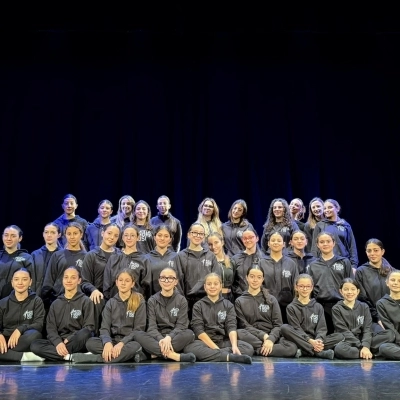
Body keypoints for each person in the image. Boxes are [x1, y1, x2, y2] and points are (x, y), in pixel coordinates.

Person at [75, 269, 146, 363]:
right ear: (116, 282)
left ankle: (97, 358)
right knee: (90, 343)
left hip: (129, 342)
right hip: (113, 341)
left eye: (127, 281)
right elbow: (104, 328)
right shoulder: (111, 303)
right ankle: (128, 356)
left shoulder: (139, 301)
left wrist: (122, 343)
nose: (123, 283)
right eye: (120, 280)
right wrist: (107, 343)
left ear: (132, 284)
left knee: (136, 346)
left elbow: (138, 329)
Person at [183, 273, 253, 363]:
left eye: (216, 284)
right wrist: (215, 348)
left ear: (220, 286)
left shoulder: (228, 305)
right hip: (205, 342)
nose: (212, 286)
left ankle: (218, 355)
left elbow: (231, 327)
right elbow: (198, 331)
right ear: (205, 287)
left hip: (222, 341)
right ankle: (229, 357)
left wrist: (234, 346)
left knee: (248, 348)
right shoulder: (198, 305)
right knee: (189, 348)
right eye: (209, 284)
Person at [30, 267, 95, 362]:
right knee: (35, 345)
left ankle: (58, 355)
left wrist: (70, 338)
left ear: (79, 281)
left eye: (73, 277)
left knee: (85, 334)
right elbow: (51, 329)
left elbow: (89, 327)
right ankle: (69, 356)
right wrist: (58, 343)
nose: (69, 280)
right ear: (62, 280)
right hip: (59, 341)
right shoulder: (56, 303)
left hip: (76, 340)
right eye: (66, 277)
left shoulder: (86, 301)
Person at [134, 268, 196, 363]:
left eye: (170, 278)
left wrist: (169, 337)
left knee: (190, 334)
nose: (166, 281)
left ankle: (152, 354)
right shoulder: (152, 300)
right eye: (163, 278)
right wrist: (162, 340)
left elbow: (181, 326)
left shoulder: (181, 300)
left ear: (176, 282)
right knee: (138, 334)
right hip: (157, 338)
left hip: (174, 337)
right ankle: (174, 356)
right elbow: (152, 327)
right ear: (159, 281)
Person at [235, 265, 298, 358]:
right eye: (252, 276)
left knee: (292, 348)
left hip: (271, 336)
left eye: (259, 277)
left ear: (263, 279)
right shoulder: (239, 301)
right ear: (246, 278)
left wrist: (270, 339)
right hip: (252, 337)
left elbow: (278, 325)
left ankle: (259, 350)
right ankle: (267, 349)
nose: (255, 280)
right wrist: (263, 336)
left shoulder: (271, 299)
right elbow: (244, 326)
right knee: (239, 332)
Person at [280, 274, 344, 359]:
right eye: (301, 286)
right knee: (285, 328)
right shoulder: (291, 307)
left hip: (314, 339)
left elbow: (322, 328)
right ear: (296, 287)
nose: (305, 289)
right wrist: (310, 341)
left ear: (312, 287)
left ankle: (304, 350)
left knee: (340, 336)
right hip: (300, 338)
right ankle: (317, 352)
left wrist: (318, 340)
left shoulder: (318, 306)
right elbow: (296, 329)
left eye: (308, 286)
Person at [332, 278, 393, 359]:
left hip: (364, 339)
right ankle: (369, 353)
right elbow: (343, 331)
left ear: (357, 291)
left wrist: (366, 345)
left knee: (390, 334)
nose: (350, 292)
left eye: (353, 289)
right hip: (347, 340)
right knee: (340, 349)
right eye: (346, 289)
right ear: (341, 291)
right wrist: (362, 346)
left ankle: (364, 352)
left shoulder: (364, 306)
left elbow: (367, 329)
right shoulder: (336, 308)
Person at [307, 231, 353, 334]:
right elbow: (310, 288)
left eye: (328, 241)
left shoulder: (344, 262)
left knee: (343, 335)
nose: (325, 244)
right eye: (322, 242)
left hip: (341, 304)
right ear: (317, 245)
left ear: (334, 243)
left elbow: (351, 284)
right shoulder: (313, 265)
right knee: (325, 334)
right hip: (321, 306)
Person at [81, 224, 121, 334]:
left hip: (116, 296)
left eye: (116, 235)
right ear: (102, 233)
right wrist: (93, 290)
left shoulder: (120, 255)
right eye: (109, 233)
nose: (112, 237)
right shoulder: (91, 255)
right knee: (97, 300)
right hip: (98, 295)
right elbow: (84, 281)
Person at [174, 223, 220, 316]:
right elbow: (177, 282)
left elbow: (217, 279)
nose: (198, 236)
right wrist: (183, 303)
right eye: (195, 233)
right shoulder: (180, 256)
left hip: (208, 301)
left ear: (203, 237)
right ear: (189, 234)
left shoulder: (211, 256)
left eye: (201, 234)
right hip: (188, 302)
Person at [0, 269, 45, 362]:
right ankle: (23, 357)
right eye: (16, 279)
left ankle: (6, 354)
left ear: (30, 282)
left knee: (34, 334)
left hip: (24, 339)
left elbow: (39, 325)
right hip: (6, 339)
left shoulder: (37, 301)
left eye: (24, 279)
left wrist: (20, 329)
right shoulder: (3, 302)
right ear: (12, 282)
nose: (20, 282)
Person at [41, 222, 87, 308]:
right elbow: (49, 279)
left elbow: (87, 281)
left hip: (79, 301)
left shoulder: (87, 256)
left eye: (75, 233)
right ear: (65, 235)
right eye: (69, 234)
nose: (72, 237)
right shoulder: (57, 255)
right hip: (57, 299)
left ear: (81, 235)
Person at [355, 239, 394, 332]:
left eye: (376, 250)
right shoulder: (361, 272)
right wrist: (378, 318)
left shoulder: (393, 272)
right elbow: (362, 298)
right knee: (387, 336)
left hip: (393, 315)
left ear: (382, 251)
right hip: (372, 318)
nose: (372, 253)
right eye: (369, 251)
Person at [103, 224, 150, 301]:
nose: (129, 238)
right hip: (115, 303)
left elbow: (146, 287)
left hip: (135, 303)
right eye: (126, 235)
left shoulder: (143, 260)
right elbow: (106, 283)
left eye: (132, 235)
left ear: (138, 237)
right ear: (122, 237)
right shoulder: (114, 258)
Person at [311, 199, 359, 270]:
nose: (327, 210)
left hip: (343, 263)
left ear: (337, 208)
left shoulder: (345, 225)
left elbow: (352, 246)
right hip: (325, 264)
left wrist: (354, 266)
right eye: (325, 208)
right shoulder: (320, 225)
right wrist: (314, 264)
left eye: (330, 207)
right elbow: (315, 247)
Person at [261, 232, 298, 323]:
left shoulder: (291, 263)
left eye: (279, 240)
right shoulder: (261, 263)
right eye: (273, 240)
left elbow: (296, 286)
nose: (276, 242)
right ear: (268, 244)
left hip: (287, 306)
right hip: (267, 305)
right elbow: (259, 285)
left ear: (284, 244)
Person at [0, 225, 34, 300]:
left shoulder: (26, 257)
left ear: (20, 238)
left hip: (16, 301)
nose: (9, 238)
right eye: (6, 235)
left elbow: (31, 281)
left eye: (13, 236)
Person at [231, 228, 266, 299]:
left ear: (257, 238)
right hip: (240, 298)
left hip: (260, 298)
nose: (248, 240)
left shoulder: (264, 259)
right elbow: (232, 282)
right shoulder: (235, 259)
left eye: (251, 237)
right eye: (245, 238)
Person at [31, 223, 62, 298]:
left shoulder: (63, 255)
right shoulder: (35, 255)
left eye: (53, 232)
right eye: (46, 232)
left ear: (59, 235)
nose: (49, 235)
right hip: (37, 297)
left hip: (57, 298)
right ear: (43, 234)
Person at [145, 225, 178, 296]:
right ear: (154, 237)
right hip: (152, 300)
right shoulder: (146, 258)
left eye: (166, 236)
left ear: (170, 239)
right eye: (159, 235)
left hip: (172, 299)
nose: (162, 238)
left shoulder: (177, 257)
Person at [377, 271, 400, 360]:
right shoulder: (381, 303)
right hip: (397, 342)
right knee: (384, 348)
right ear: (387, 283)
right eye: (393, 280)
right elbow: (389, 327)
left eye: (399, 281)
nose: (396, 283)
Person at [208, 232, 235, 303]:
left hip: (230, 298)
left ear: (222, 242)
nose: (213, 247)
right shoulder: (207, 263)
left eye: (216, 242)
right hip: (214, 299)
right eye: (210, 244)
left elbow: (234, 282)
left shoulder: (231, 261)